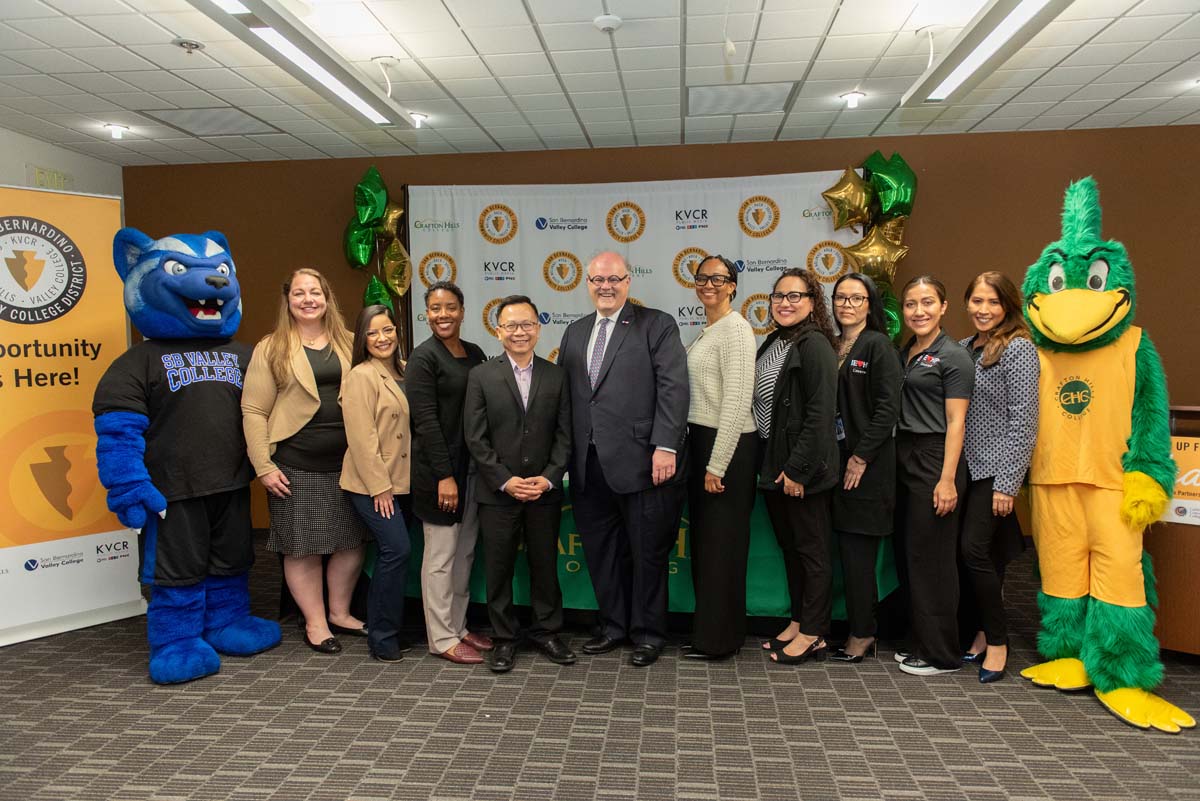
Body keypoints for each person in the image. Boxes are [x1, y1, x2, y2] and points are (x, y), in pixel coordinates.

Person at [558, 250, 689, 668]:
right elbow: (567, 398)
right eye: (598, 280)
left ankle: (649, 634)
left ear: (629, 282)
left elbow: (673, 387)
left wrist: (665, 445)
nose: (606, 287)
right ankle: (613, 627)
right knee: (601, 551)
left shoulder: (656, 325)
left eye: (614, 279)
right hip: (587, 464)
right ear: (588, 284)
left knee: (647, 552)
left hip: (642, 461)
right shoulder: (575, 332)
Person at [242, 268, 366, 655]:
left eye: (315, 292)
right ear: (288, 300)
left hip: (350, 464)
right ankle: (315, 622)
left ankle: (340, 613)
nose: (308, 299)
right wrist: (263, 465)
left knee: (351, 541)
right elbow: (253, 409)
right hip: (295, 464)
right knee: (301, 547)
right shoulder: (272, 346)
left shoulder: (350, 342)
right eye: (299, 293)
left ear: (328, 299)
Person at [464, 295, 574, 673]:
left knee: (545, 564)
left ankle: (547, 632)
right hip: (498, 492)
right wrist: (506, 481)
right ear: (498, 331)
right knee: (499, 568)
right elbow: (475, 438)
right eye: (511, 325)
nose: (519, 332)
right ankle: (505, 638)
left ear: (539, 328)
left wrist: (548, 477)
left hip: (543, 490)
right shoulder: (480, 376)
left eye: (527, 324)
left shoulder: (557, 375)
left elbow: (565, 435)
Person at [754, 268, 840, 665]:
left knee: (813, 552)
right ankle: (797, 620)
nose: (785, 303)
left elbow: (821, 413)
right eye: (778, 296)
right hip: (774, 464)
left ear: (812, 301)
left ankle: (814, 632)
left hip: (800, 471)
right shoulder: (774, 340)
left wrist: (798, 470)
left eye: (795, 296)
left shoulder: (816, 344)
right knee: (791, 549)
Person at [958, 272, 1039, 683]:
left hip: (995, 468)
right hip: (962, 468)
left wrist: (1008, 483)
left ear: (1007, 305)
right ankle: (981, 632)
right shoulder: (962, 348)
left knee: (974, 550)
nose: (983, 309)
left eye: (992, 302)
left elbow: (1024, 421)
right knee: (986, 556)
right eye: (976, 301)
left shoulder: (1019, 349)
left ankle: (999, 642)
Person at [406, 282, 491, 665]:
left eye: (451, 307)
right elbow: (424, 422)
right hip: (440, 474)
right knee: (440, 558)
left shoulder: (474, 353)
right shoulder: (423, 358)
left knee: (465, 555)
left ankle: (458, 626)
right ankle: (440, 637)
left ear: (462, 310)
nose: (444, 314)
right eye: (436, 308)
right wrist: (444, 475)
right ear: (427, 313)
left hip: (473, 471)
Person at [893, 275, 974, 677]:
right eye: (910, 304)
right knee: (912, 556)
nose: (918, 311)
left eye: (927, 303)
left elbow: (957, 422)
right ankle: (921, 641)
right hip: (904, 454)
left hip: (935, 457)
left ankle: (943, 654)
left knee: (934, 560)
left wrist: (946, 479)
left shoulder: (954, 356)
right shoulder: (907, 349)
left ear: (944, 307)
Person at [682, 255, 757, 660]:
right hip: (703, 442)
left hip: (726, 448)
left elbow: (736, 401)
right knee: (709, 547)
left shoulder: (737, 330)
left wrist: (716, 464)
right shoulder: (708, 330)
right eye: (702, 278)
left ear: (732, 286)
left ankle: (719, 641)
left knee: (722, 548)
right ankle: (712, 634)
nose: (708, 284)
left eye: (718, 278)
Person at [827, 273, 901, 664]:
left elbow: (888, 408)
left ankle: (863, 633)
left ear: (870, 305)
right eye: (841, 297)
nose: (847, 305)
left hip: (866, 469)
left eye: (856, 299)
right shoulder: (836, 344)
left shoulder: (878, 346)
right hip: (836, 465)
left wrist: (860, 456)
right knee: (843, 553)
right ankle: (855, 627)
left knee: (857, 557)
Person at [340, 305, 414, 663]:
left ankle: (399, 627)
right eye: (372, 333)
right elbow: (362, 438)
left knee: (400, 553)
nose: (382, 338)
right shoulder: (360, 376)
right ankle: (382, 637)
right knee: (396, 550)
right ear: (363, 339)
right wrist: (379, 487)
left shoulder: (406, 369)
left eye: (387, 330)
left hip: (407, 481)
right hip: (372, 484)